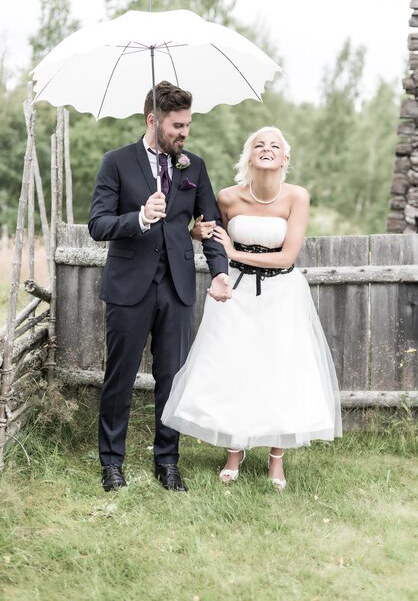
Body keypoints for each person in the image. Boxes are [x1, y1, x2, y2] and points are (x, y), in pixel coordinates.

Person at [162, 126, 342, 489]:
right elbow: (207, 234)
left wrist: (233, 252)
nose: (267, 149)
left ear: (285, 159)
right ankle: (235, 449)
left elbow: (287, 256)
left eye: (275, 145)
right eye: (259, 144)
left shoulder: (297, 197)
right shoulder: (228, 198)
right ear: (248, 156)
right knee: (234, 366)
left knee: (280, 369)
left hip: (282, 294)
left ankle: (277, 459)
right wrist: (198, 234)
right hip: (238, 294)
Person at [88, 81, 231, 492]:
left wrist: (219, 270)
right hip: (128, 287)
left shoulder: (194, 166)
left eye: (187, 125)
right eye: (177, 125)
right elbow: (98, 224)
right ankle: (111, 463)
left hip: (178, 288)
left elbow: (211, 225)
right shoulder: (115, 162)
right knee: (120, 376)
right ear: (153, 120)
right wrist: (139, 217)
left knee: (172, 379)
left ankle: (167, 460)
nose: (184, 133)